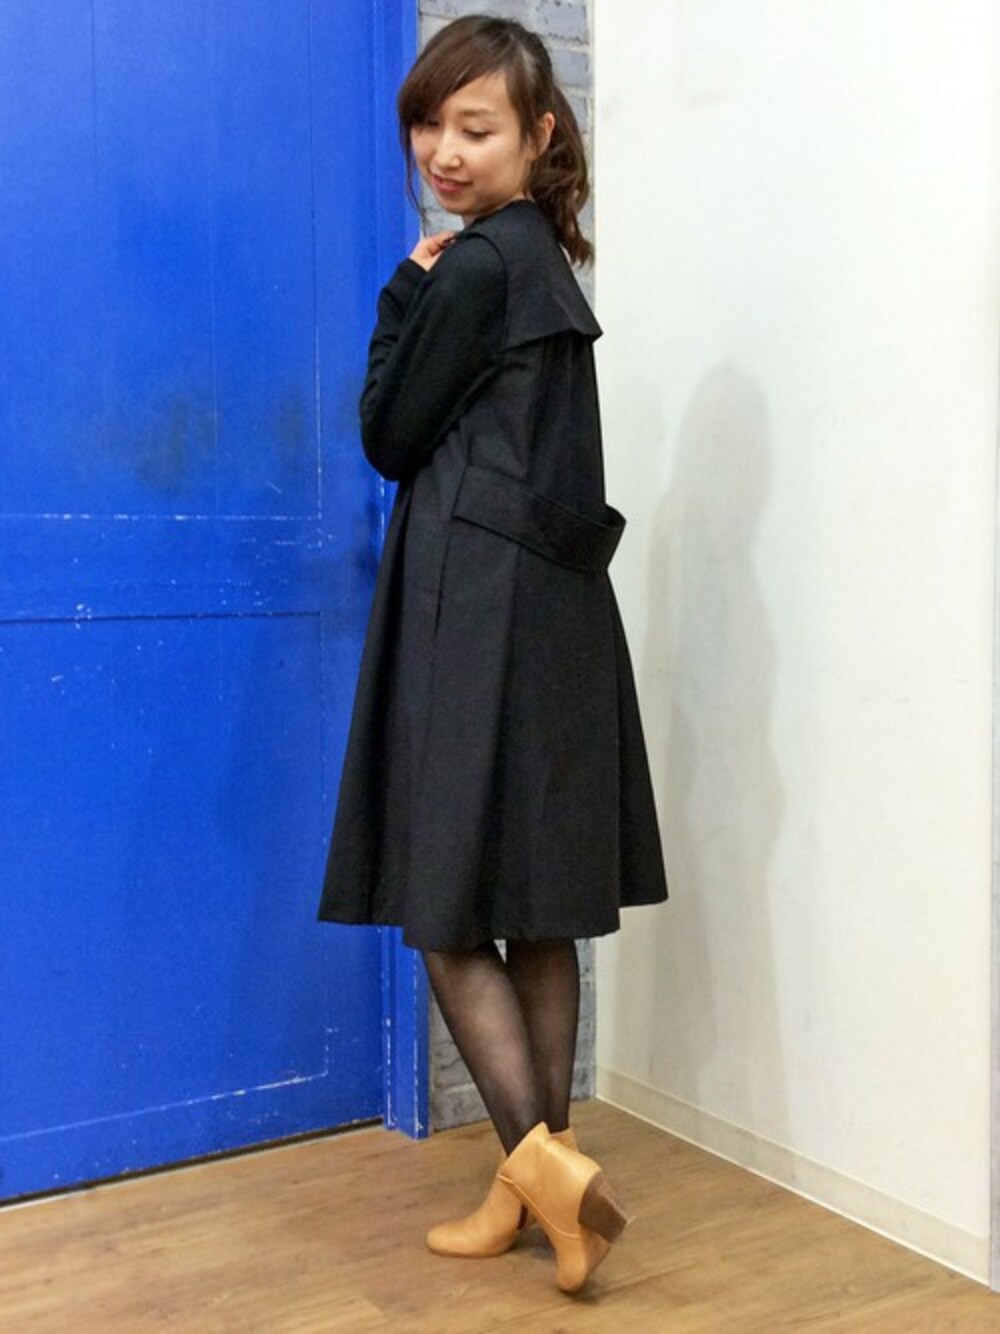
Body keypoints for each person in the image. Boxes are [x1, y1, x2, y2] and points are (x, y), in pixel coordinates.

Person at [317, 14, 667, 1294]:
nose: (444, 151)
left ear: (538, 134)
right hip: (555, 614)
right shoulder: (545, 263)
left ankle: (550, 1176)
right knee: (534, 909)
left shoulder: (469, 271)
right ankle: (533, 1193)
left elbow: (387, 435)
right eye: (429, 123)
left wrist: (402, 292)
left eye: (475, 128)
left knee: (450, 906)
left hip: (474, 614)